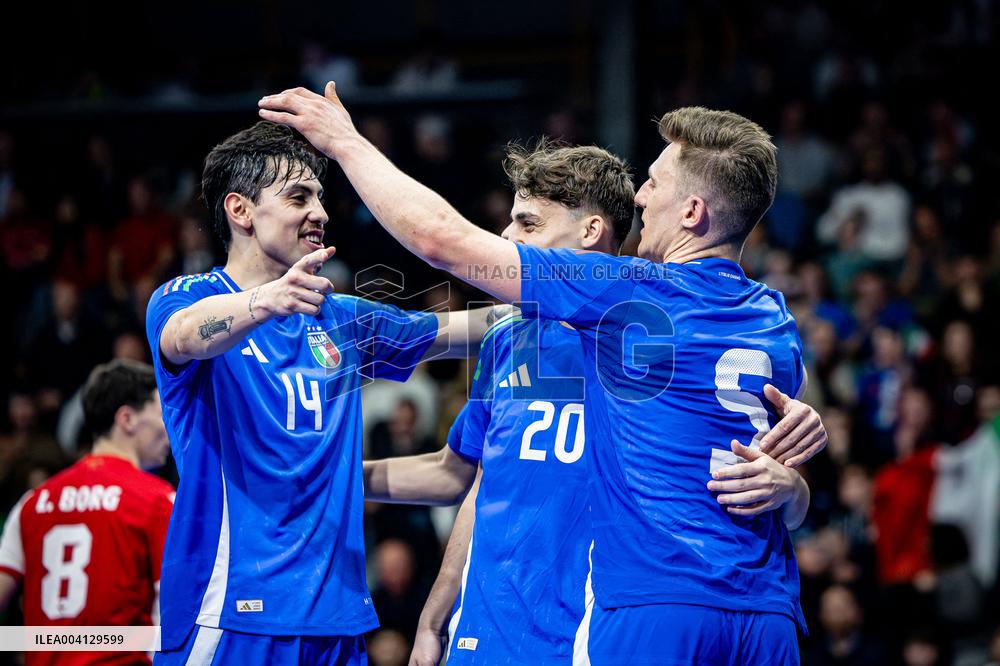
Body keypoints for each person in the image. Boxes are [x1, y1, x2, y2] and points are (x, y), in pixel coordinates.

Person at [261, 85, 814, 664]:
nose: (642, 195)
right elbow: (474, 476)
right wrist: (797, 491)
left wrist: (346, 144)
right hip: (766, 606)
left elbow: (441, 241)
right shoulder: (773, 318)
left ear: (692, 213)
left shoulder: (624, 296)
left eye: (654, 182)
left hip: (652, 601)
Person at [145, 121, 491, 665]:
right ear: (240, 210)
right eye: (298, 197)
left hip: (338, 617)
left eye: (321, 198)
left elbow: (464, 330)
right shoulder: (188, 296)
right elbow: (184, 336)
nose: (321, 213)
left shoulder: (339, 317)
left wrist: (582, 289)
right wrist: (265, 301)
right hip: (233, 611)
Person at [0, 360, 173, 666]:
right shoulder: (158, 501)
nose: (168, 427)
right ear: (127, 419)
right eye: (161, 413)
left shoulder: (32, 503)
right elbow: (175, 612)